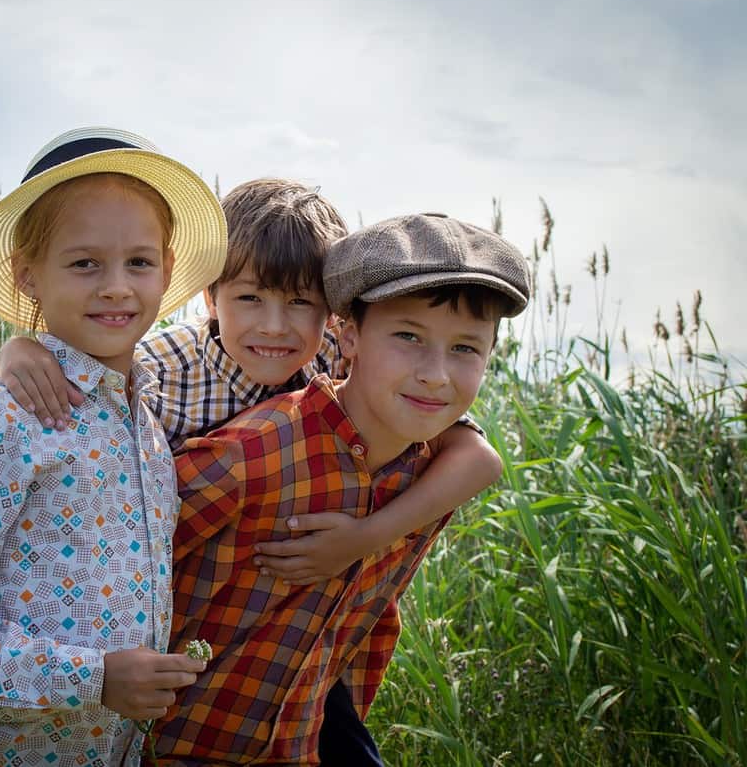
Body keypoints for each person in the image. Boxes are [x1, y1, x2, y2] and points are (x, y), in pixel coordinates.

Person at [0, 127, 225, 767]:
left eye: (139, 262)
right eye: (84, 262)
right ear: (29, 275)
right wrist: (93, 678)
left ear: (168, 270)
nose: (117, 286)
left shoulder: (147, 430)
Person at [154, 212, 531, 764]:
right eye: (408, 337)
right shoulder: (247, 457)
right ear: (347, 336)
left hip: (304, 740)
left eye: (466, 349)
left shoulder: (425, 473)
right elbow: (110, 577)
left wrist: (367, 536)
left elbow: (483, 461)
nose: (436, 374)